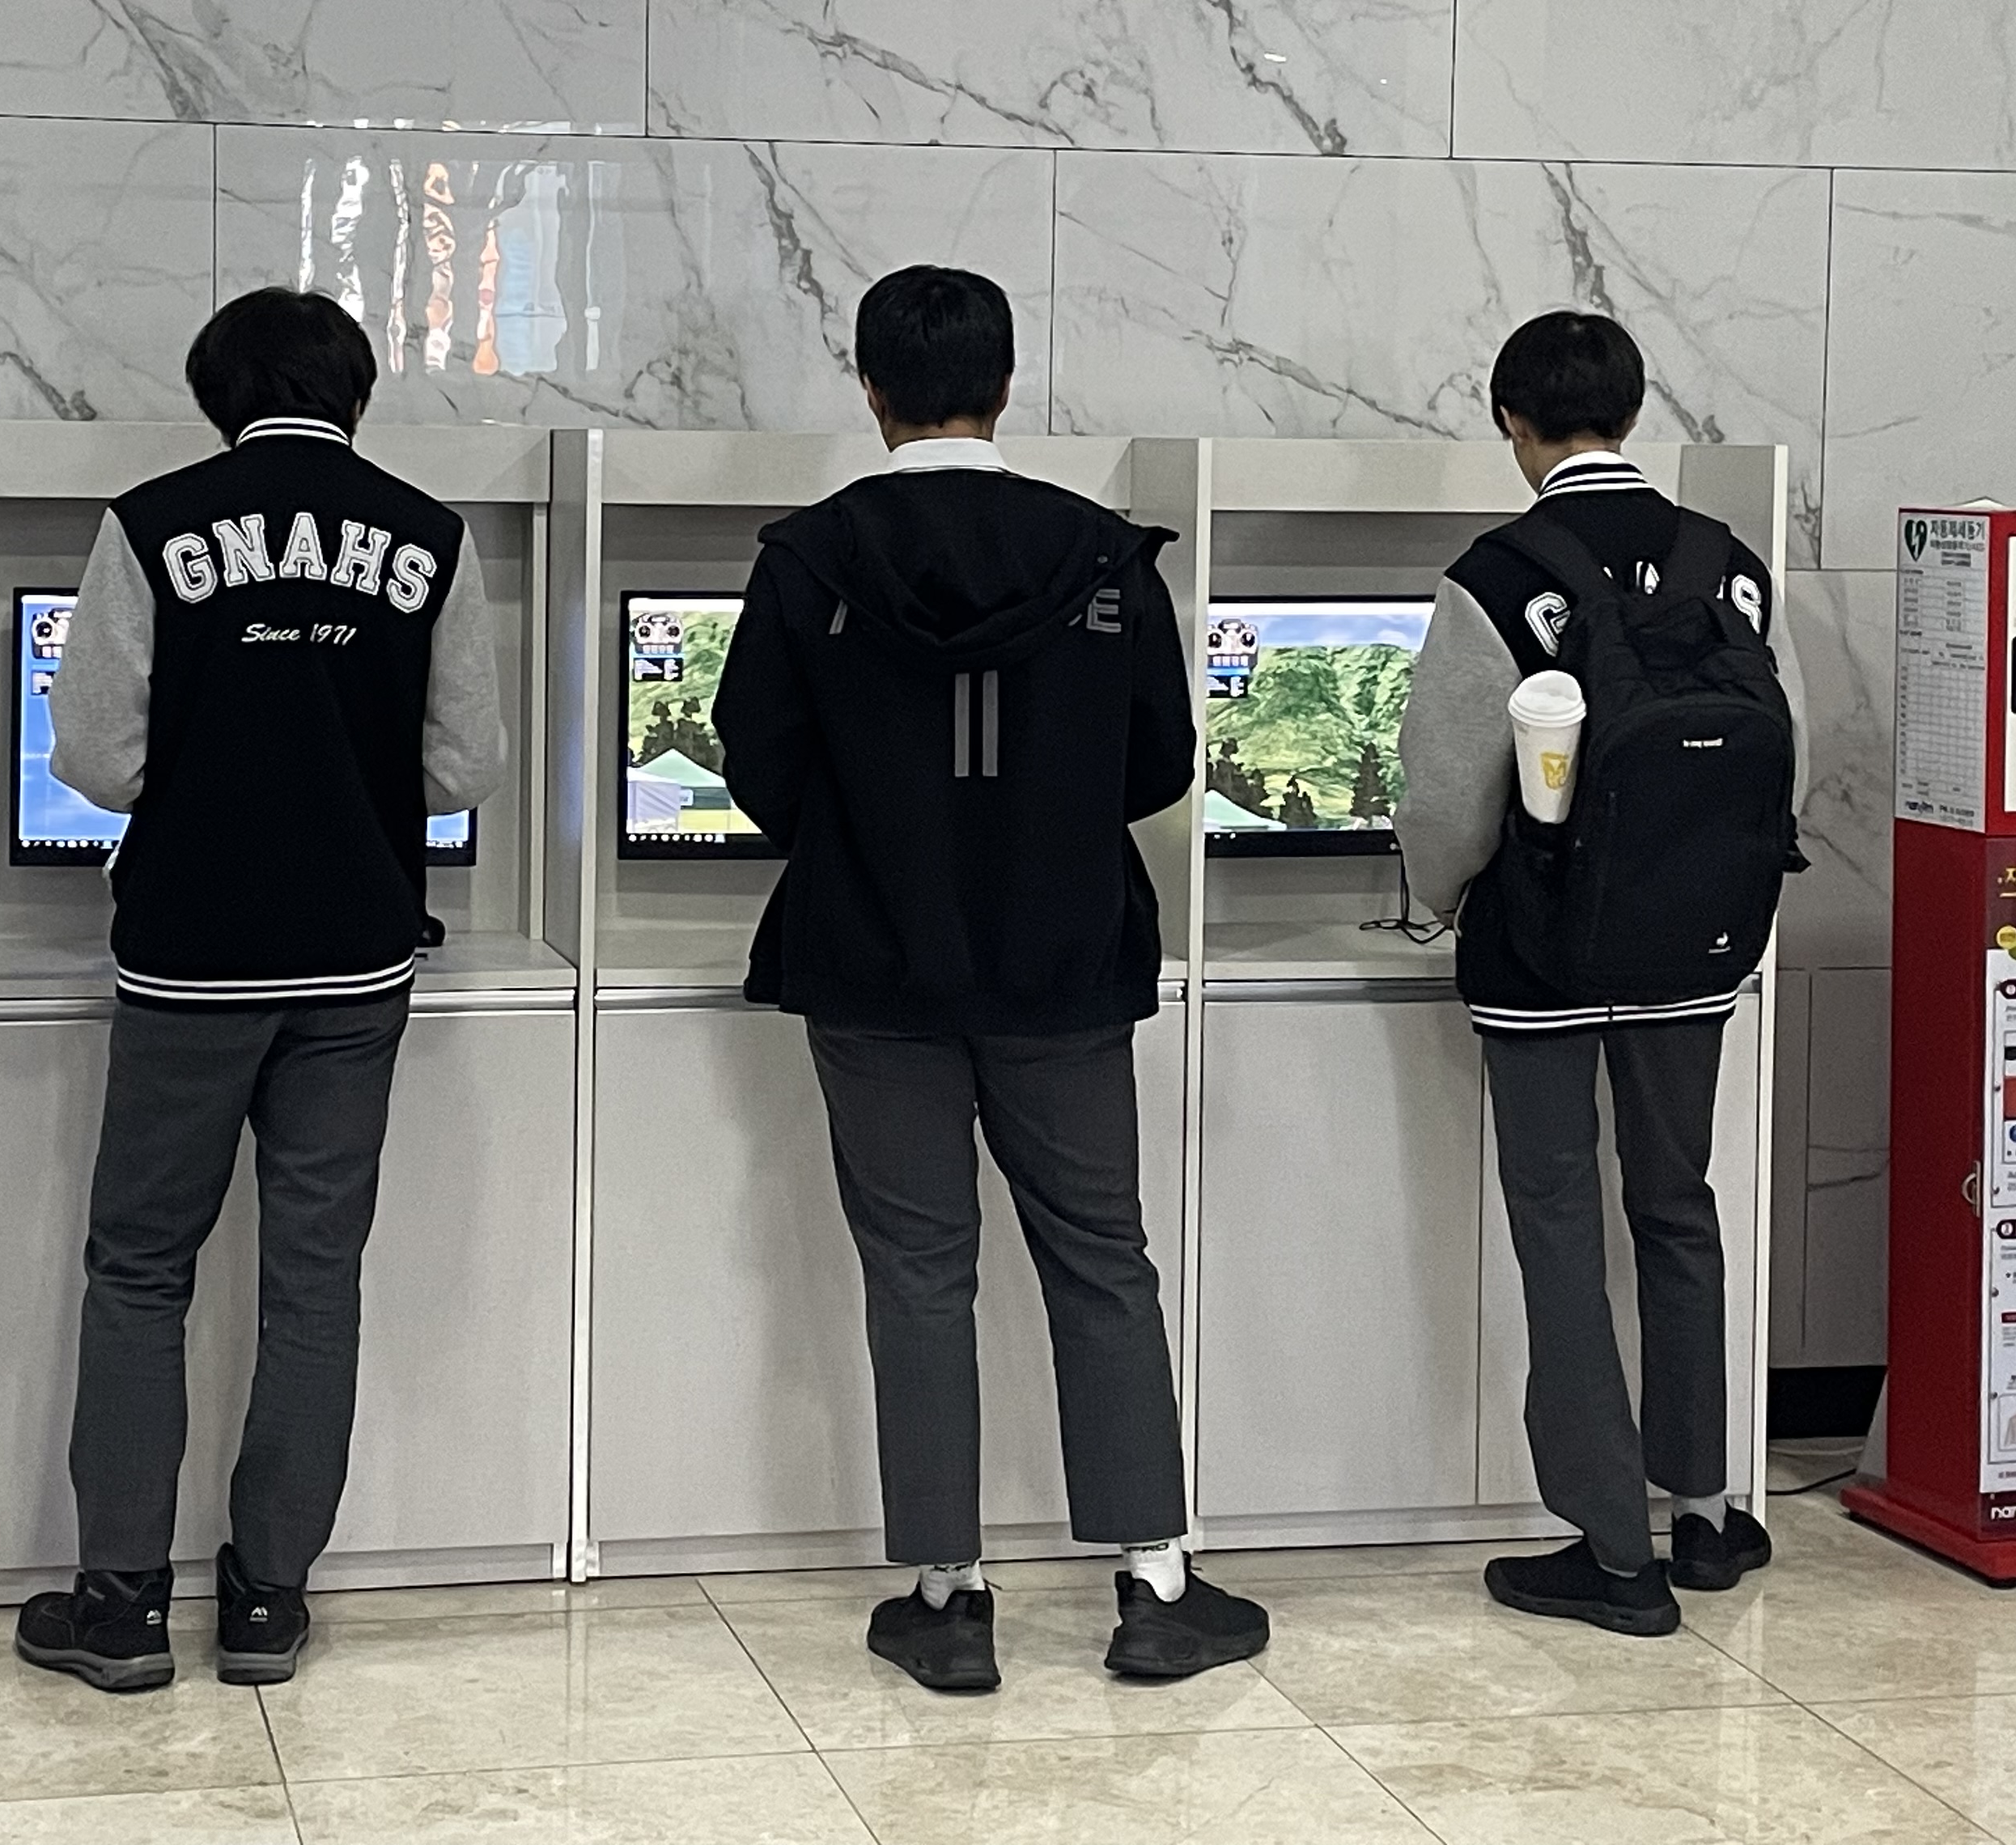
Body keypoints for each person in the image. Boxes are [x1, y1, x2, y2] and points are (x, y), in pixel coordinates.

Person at [711, 266, 1269, 1694]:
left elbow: (757, 760)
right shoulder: (1102, 557)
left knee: (917, 1274)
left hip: (871, 963)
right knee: (1102, 1262)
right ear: (1006, 386)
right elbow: (1161, 762)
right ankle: (1154, 1584)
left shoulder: (809, 558)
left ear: (870, 390)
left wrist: (870, 838)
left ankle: (948, 1600)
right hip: (1062, 963)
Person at [14, 288, 505, 1690]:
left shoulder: (150, 524)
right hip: (357, 958)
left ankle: (120, 1605)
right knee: (314, 1279)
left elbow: (95, 759)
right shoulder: (429, 535)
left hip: (189, 960)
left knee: (139, 1271)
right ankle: (269, 1601)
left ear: (216, 395)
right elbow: (463, 768)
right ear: (356, 393)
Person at [1394, 311, 1806, 1639]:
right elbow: (1786, 754)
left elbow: (1447, 798)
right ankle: (1705, 1514)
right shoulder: (1728, 563)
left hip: (1542, 960)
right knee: (1679, 1209)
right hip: (1695, 955)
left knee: (1560, 1227)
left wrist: (1437, 902)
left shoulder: (1497, 577)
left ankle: (1612, 1551)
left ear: (1512, 423)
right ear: (1631, 414)